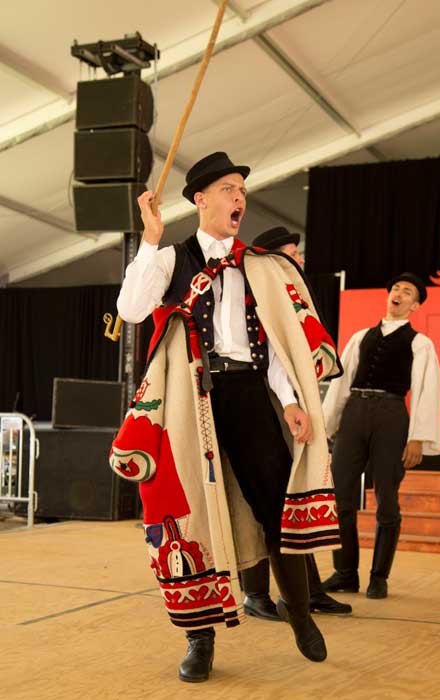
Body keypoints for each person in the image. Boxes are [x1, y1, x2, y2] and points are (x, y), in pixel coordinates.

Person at [112, 152, 343, 683]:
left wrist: (289, 401)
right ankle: (200, 640)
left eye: (241, 189)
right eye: (228, 189)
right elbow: (130, 308)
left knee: (274, 505)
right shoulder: (171, 259)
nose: (239, 198)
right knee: (189, 516)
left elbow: (278, 345)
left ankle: (302, 615)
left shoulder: (259, 263)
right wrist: (149, 240)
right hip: (189, 397)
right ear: (200, 199)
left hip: (245, 392)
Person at [239, 226, 352, 620]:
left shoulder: (292, 293)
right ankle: (255, 592)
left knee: (292, 494)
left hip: (287, 402)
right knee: (259, 497)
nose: (298, 261)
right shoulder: (256, 293)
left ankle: (308, 590)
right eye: (291, 254)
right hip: (258, 403)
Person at [322, 273, 440, 599]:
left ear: (414, 305)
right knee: (341, 496)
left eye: (407, 292)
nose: (399, 293)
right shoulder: (361, 337)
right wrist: (326, 425)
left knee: (387, 497)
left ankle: (379, 577)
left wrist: (417, 437)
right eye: (396, 288)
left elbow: (427, 391)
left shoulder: (420, 343)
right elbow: (340, 384)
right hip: (355, 414)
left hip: (391, 415)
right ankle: (345, 573)